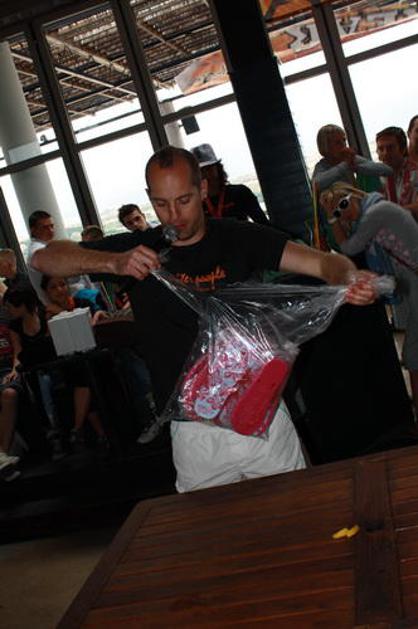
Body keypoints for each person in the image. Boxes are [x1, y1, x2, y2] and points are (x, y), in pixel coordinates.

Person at [32, 146, 376, 493]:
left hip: (260, 411)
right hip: (192, 431)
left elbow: (323, 262)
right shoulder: (138, 250)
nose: (174, 215)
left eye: (183, 200)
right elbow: (44, 259)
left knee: (296, 507)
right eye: (162, 204)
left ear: (203, 189)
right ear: (150, 199)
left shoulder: (238, 236)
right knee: (206, 524)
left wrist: (349, 278)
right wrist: (114, 263)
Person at [321, 181, 418, 416]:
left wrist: (333, 219)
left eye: (343, 204)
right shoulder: (373, 212)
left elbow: (350, 248)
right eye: (337, 211)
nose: (343, 212)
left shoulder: (377, 212)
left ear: (354, 195)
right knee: (412, 353)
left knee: (412, 354)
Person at [3, 286, 107, 453]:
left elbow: (61, 335)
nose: (7, 311)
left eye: (9, 306)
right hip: (40, 368)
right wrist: (15, 369)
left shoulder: (46, 312)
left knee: (79, 378)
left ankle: (82, 430)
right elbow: (18, 352)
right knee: (47, 384)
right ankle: (72, 431)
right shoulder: (15, 326)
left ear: (21, 305)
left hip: (62, 360)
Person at [191, 143, 269, 224]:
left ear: (218, 168)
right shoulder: (195, 205)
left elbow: (263, 224)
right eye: (201, 171)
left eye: (208, 169)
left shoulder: (240, 193)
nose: (206, 175)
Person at [312, 124, 392, 191]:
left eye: (344, 140)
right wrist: (345, 165)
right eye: (337, 143)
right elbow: (317, 184)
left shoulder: (350, 159)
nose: (343, 145)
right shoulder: (321, 166)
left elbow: (387, 170)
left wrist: (356, 167)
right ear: (326, 147)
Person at [376, 126, 418, 216]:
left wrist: (390, 213)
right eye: (381, 149)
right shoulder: (376, 176)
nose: (385, 153)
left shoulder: (416, 172)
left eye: (390, 148)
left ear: (403, 149)